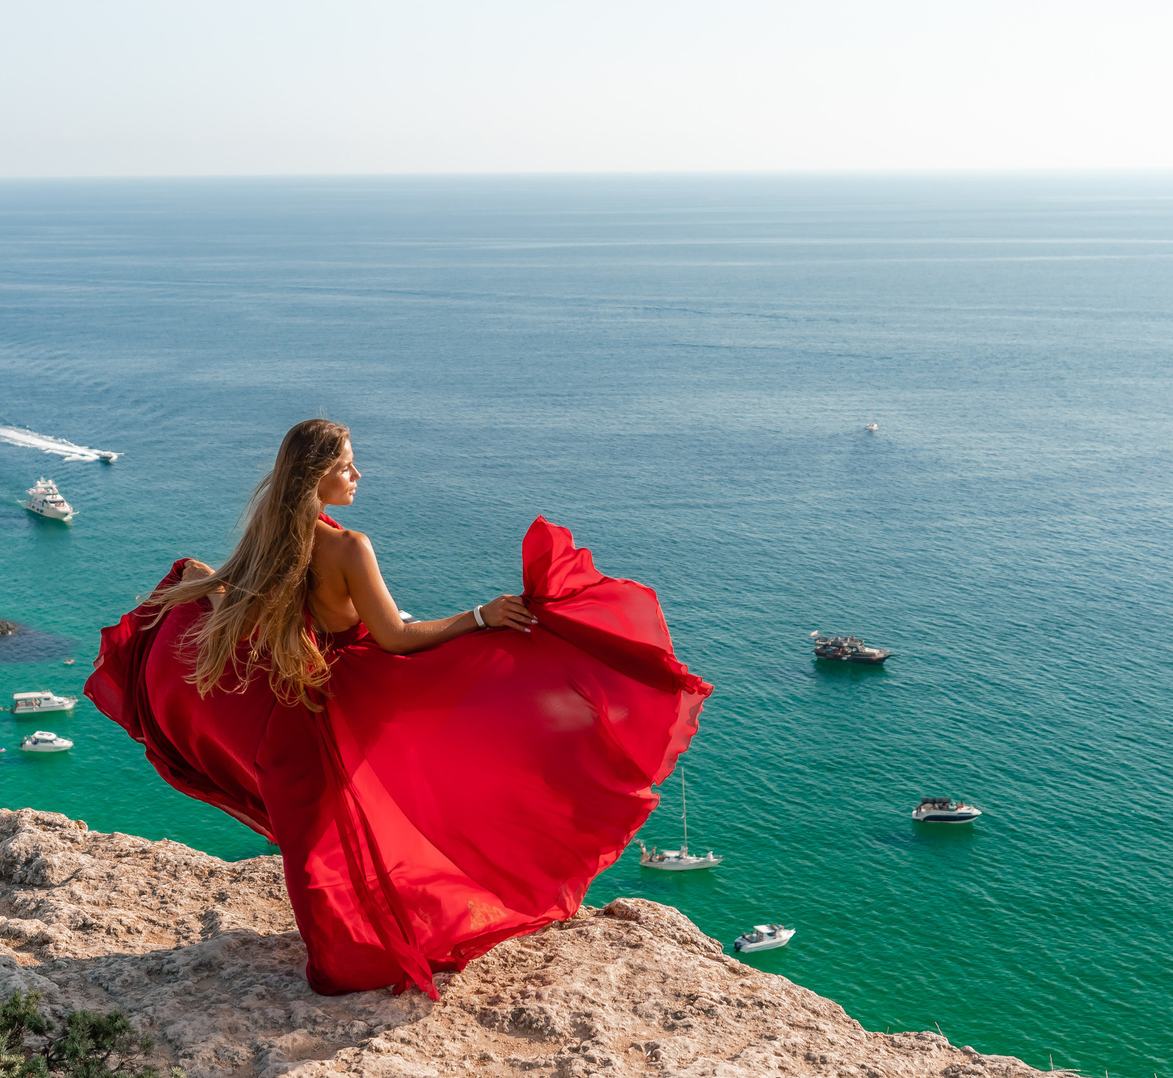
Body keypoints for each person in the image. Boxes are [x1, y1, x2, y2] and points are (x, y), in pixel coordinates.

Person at [86, 418, 710, 996]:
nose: (358, 476)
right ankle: (370, 950)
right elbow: (395, 639)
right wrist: (480, 617)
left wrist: (192, 587)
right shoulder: (349, 547)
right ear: (317, 476)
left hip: (289, 715)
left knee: (318, 846)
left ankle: (337, 961)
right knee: (416, 799)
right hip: (348, 704)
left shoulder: (272, 535)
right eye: (348, 466)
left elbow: (241, 599)